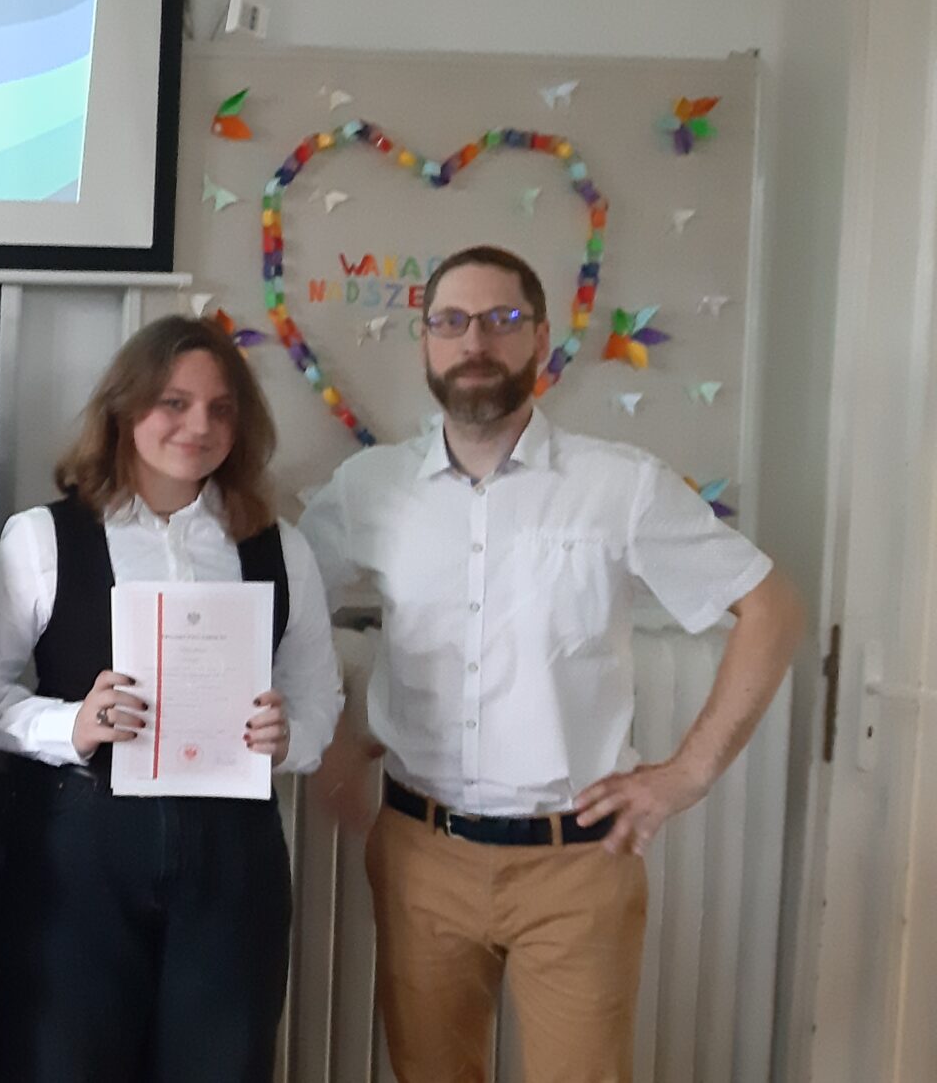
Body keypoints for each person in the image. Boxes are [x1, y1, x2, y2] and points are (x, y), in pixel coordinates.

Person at [299, 244, 802, 1082]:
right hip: (421, 855)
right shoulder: (369, 489)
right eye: (451, 322)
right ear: (426, 342)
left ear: (540, 338)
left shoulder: (620, 485)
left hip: (578, 865)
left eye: (500, 320)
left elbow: (772, 608)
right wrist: (329, 744)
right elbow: (286, 613)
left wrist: (686, 774)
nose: (474, 342)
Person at [0, 313, 342, 1083]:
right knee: (66, 1065)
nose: (198, 426)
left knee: (223, 1064)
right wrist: (69, 724)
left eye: (220, 408)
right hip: (80, 845)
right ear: (125, 408)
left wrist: (293, 738)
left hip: (232, 849)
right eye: (174, 403)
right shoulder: (42, 539)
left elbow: (318, 689)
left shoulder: (281, 547)